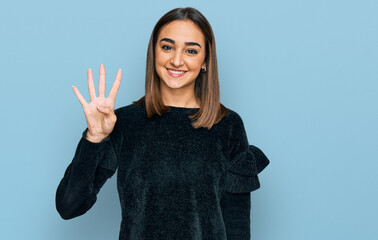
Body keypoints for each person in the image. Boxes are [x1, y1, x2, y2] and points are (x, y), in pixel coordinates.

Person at [55, 7, 270, 240]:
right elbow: (69, 206)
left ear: (205, 60)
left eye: (191, 50)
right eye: (167, 47)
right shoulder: (124, 123)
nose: (176, 60)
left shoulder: (228, 126)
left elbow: (237, 227)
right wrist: (94, 138)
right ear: (154, 53)